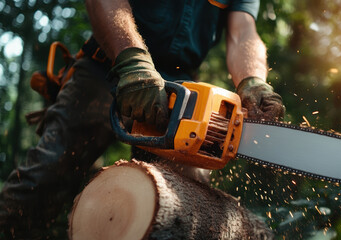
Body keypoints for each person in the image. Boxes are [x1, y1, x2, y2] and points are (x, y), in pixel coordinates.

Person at [0, 0, 285, 238]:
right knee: (46, 175)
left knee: (188, 206)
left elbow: (243, 31)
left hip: (183, 89)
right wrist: (133, 61)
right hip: (109, 63)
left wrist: (253, 81)